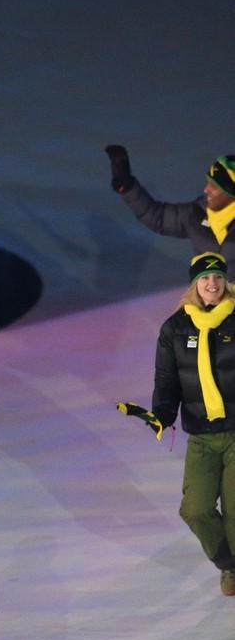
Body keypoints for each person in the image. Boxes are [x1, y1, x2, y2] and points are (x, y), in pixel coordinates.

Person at [137, 253, 235, 597]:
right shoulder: (175, 328)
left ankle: (231, 571)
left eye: (218, 278)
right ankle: (229, 564)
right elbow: (166, 380)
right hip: (202, 435)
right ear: (194, 284)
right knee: (195, 509)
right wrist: (161, 415)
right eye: (205, 279)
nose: (213, 284)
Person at [104, 147, 235, 279]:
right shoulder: (197, 212)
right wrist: (126, 185)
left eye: (214, 186)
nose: (206, 190)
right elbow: (157, 216)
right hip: (208, 296)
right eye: (208, 183)